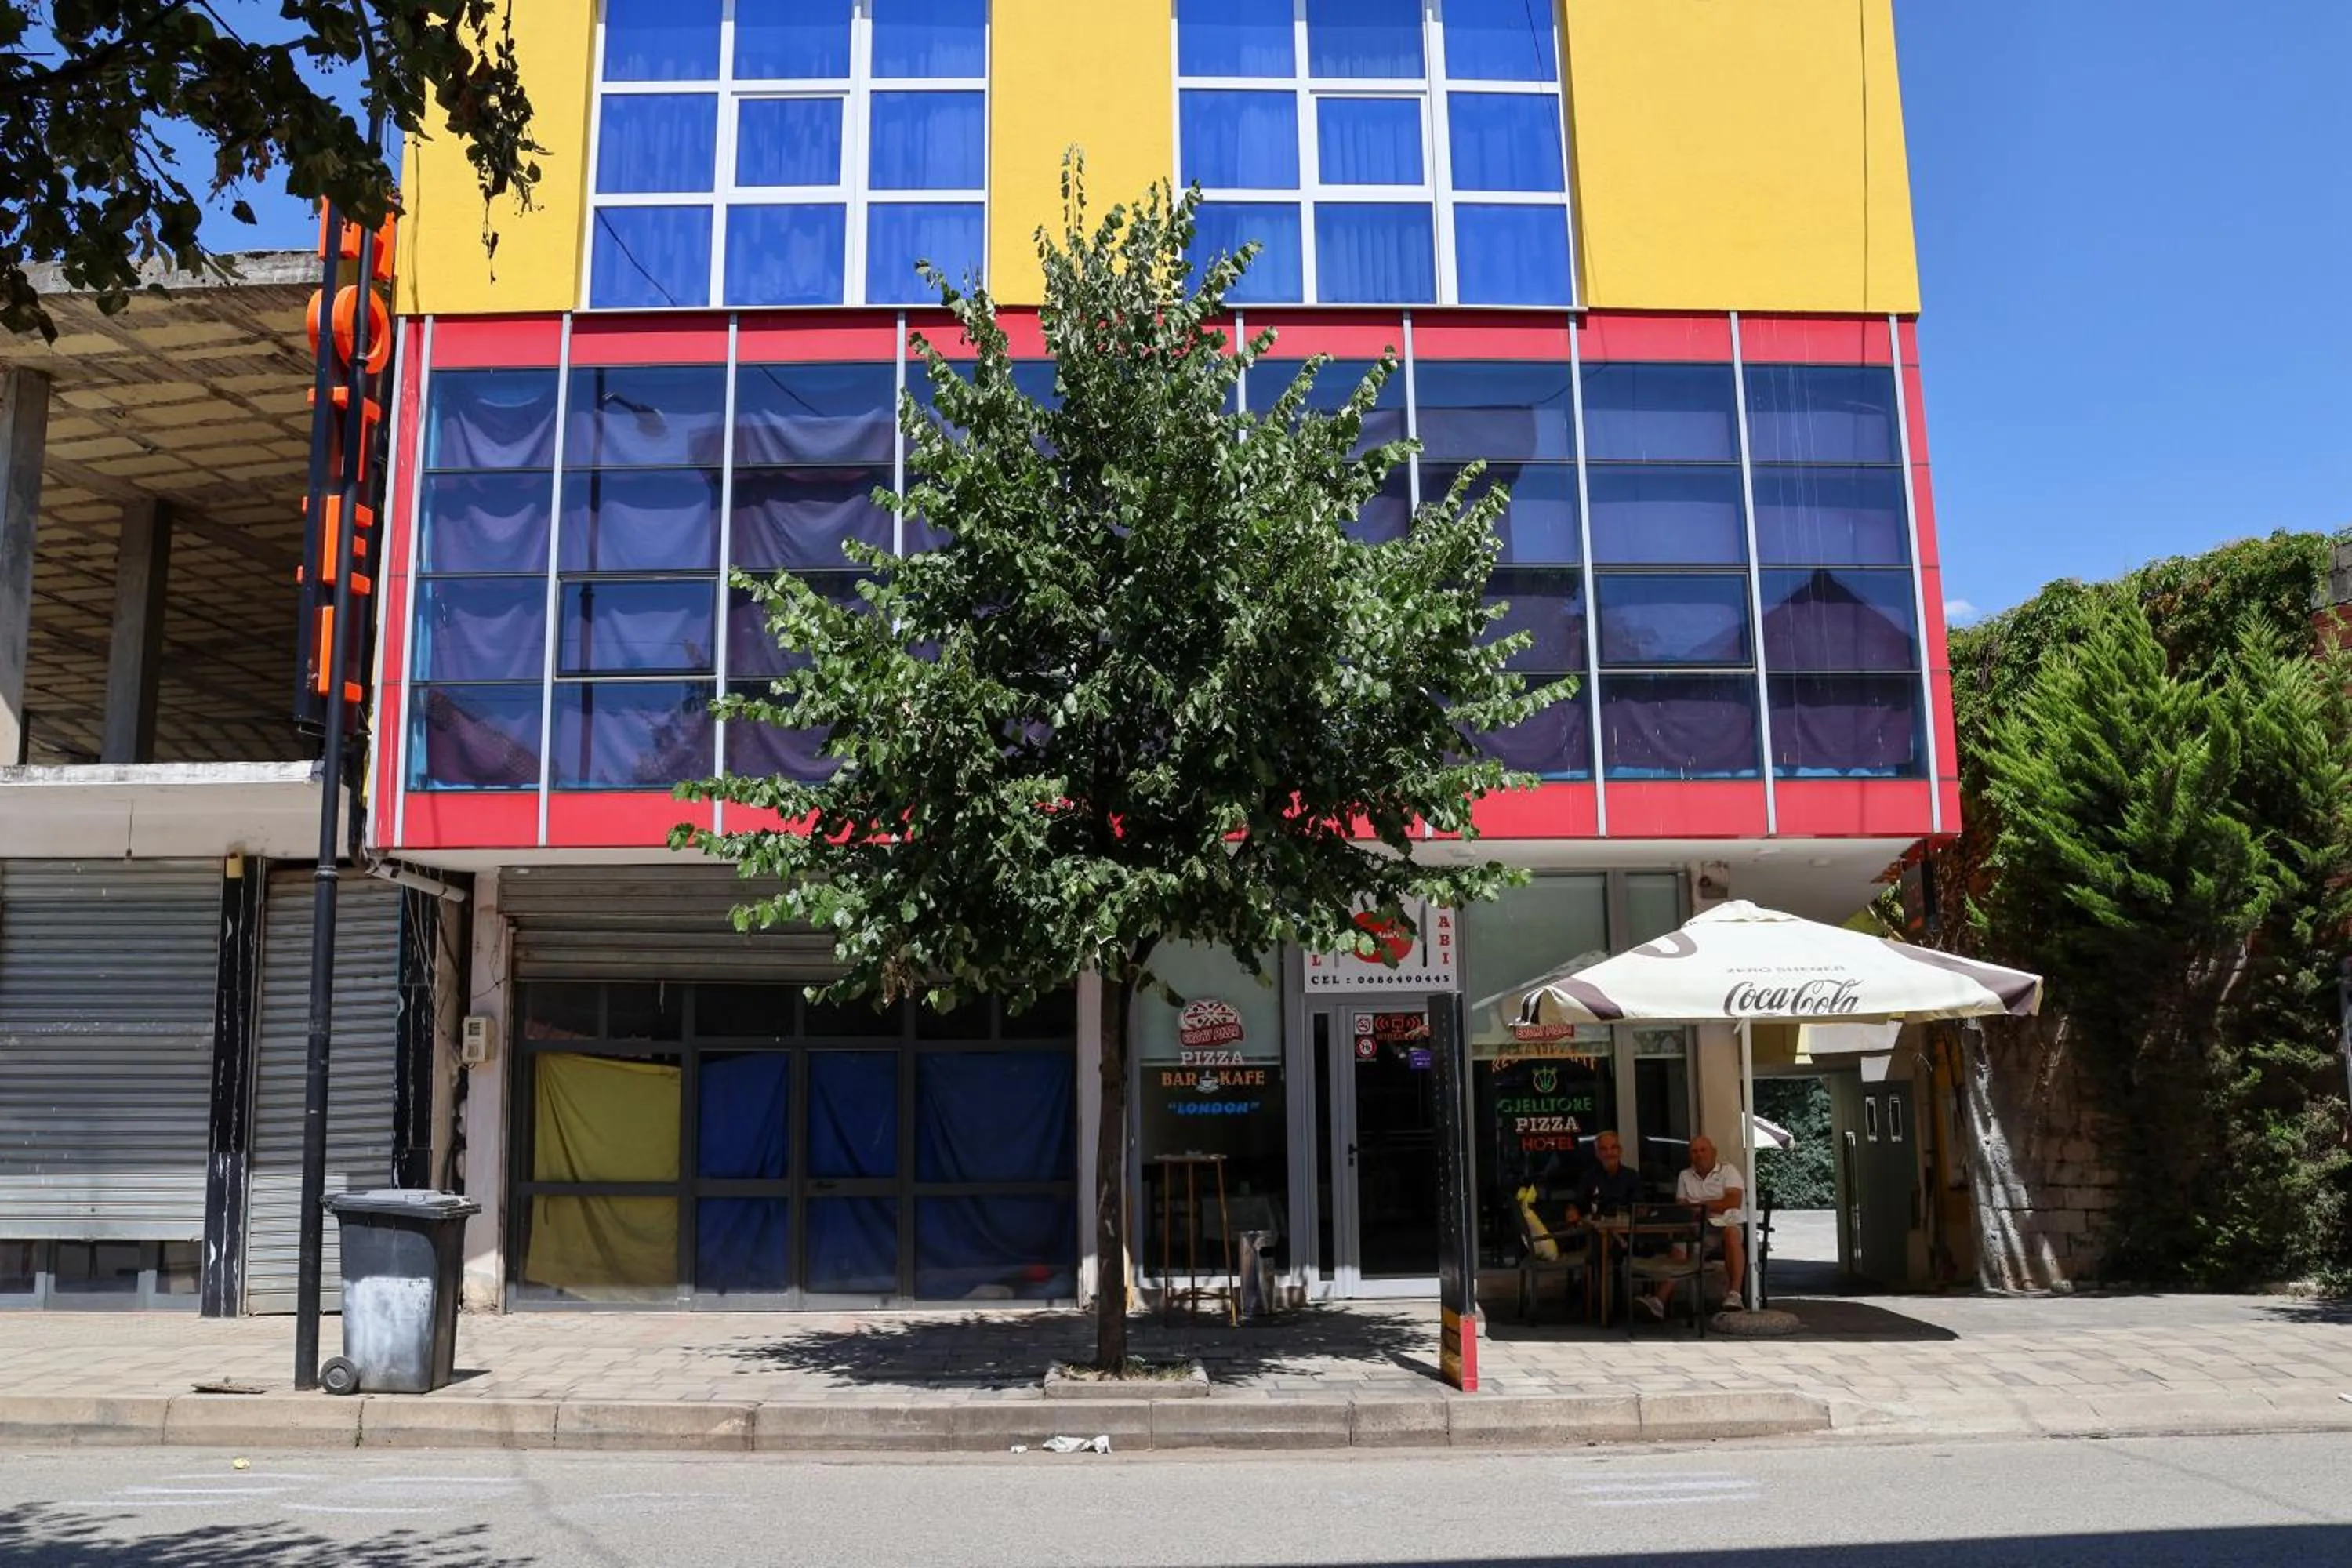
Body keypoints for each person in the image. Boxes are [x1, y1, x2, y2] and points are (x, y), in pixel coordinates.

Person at [1643, 1133, 1747, 1319]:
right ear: (1690, 1156)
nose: (1699, 1155)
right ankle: (1659, 1302)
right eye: (1695, 1151)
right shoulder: (1685, 1175)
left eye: (1703, 1150)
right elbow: (1682, 1207)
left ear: (1713, 1152)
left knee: (1732, 1233)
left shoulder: (1728, 1171)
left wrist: (1702, 1205)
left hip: (1725, 1224)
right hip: (1697, 1227)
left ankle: (1734, 1294)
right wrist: (1711, 1204)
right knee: (1680, 1246)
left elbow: (1733, 1202)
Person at [1569, 1130, 1642, 1223]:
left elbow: (1639, 1207)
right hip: (1595, 1231)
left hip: (1624, 1231)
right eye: (1604, 1149)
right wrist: (1572, 1211)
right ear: (1597, 1154)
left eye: (1614, 1148)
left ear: (1620, 1151)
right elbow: (1577, 1204)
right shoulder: (1588, 1177)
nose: (1609, 1153)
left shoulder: (1632, 1176)